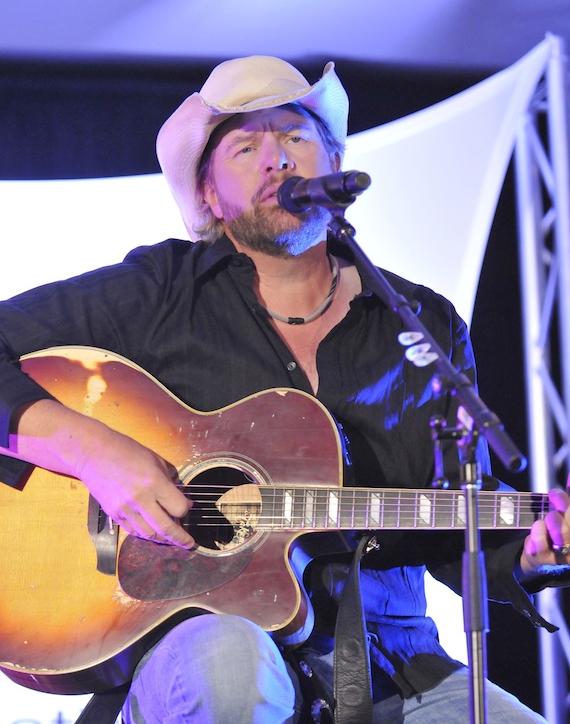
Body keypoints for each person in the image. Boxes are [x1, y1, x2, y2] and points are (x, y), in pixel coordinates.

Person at [0, 55, 569, 724]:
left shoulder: (423, 325)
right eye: (246, 145)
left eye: (295, 137)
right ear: (209, 195)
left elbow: (451, 520)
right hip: (199, 641)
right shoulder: (160, 291)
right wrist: (98, 453)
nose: (276, 159)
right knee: (231, 669)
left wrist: (531, 550)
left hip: (392, 665)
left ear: (331, 166)